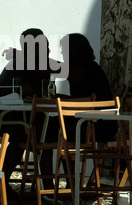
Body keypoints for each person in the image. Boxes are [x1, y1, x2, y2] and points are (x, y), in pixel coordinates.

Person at [0, 28, 60, 199]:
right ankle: (3, 183)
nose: (49, 49)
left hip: (27, 117)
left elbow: (57, 70)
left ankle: (46, 186)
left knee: (48, 131)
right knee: (24, 136)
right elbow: (26, 91)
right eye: (45, 45)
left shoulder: (37, 64)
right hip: (5, 118)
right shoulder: (16, 65)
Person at [41, 33, 117, 188]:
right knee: (57, 127)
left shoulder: (80, 69)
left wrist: (27, 55)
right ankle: (69, 182)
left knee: (45, 129)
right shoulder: (90, 67)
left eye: (64, 49)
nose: (62, 53)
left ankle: (49, 187)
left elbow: (53, 67)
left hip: (95, 126)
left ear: (73, 50)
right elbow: (81, 99)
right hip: (95, 122)